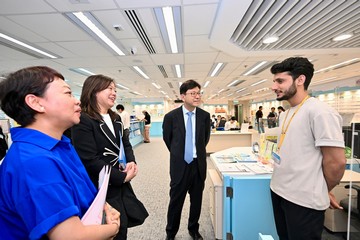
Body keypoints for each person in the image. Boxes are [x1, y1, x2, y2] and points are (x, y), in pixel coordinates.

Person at [0, 66, 120, 239]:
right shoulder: (35, 161)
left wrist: (105, 208)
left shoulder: (60, 146)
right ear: (36, 102)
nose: (77, 101)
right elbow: (70, 236)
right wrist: (113, 228)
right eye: (68, 93)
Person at [270, 57, 346, 240]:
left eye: (280, 81)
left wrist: (323, 188)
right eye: (274, 81)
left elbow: (336, 162)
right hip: (279, 191)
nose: (274, 86)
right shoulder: (286, 113)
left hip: (303, 201)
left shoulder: (320, 112)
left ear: (300, 80)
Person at [71, 74, 138, 240]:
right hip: (100, 187)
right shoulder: (84, 121)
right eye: (110, 88)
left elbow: (125, 143)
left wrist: (131, 161)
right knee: (109, 230)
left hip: (121, 183)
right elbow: (89, 160)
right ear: (94, 91)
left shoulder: (116, 119)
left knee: (122, 225)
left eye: (115, 89)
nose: (114, 93)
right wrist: (121, 177)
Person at [162, 79, 210, 240]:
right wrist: (179, 154)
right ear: (183, 96)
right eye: (193, 93)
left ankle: (193, 229)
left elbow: (205, 140)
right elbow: (168, 139)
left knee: (196, 201)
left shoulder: (204, 116)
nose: (197, 96)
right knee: (176, 201)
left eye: (199, 93)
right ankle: (171, 232)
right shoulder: (171, 117)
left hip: (198, 165)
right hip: (179, 165)